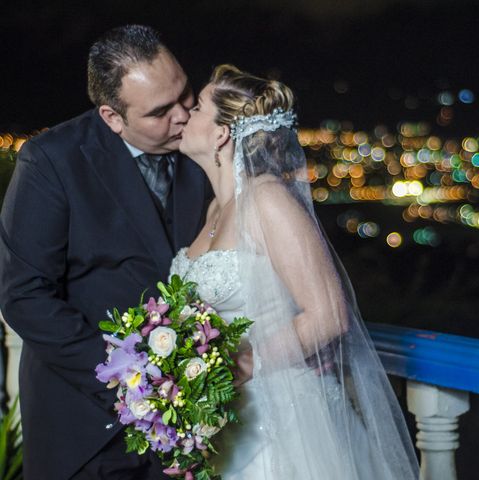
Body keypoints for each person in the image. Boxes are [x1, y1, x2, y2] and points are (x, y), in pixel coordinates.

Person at [171, 64, 419, 479]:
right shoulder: (215, 209)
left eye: (195, 108)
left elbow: (328, 314)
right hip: (225, 418)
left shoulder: (268, 199)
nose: (183, 116)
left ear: (220, 134)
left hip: (279, 420)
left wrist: (243, 365)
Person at [0, 25, 210, 479]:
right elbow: (25, 295)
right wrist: (135, 385)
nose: (183, 115)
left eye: (185, 93)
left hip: (189, 430)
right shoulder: (51, 160)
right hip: (84, 429)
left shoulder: (206, 146)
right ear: (112, 117)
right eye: (160, 111)